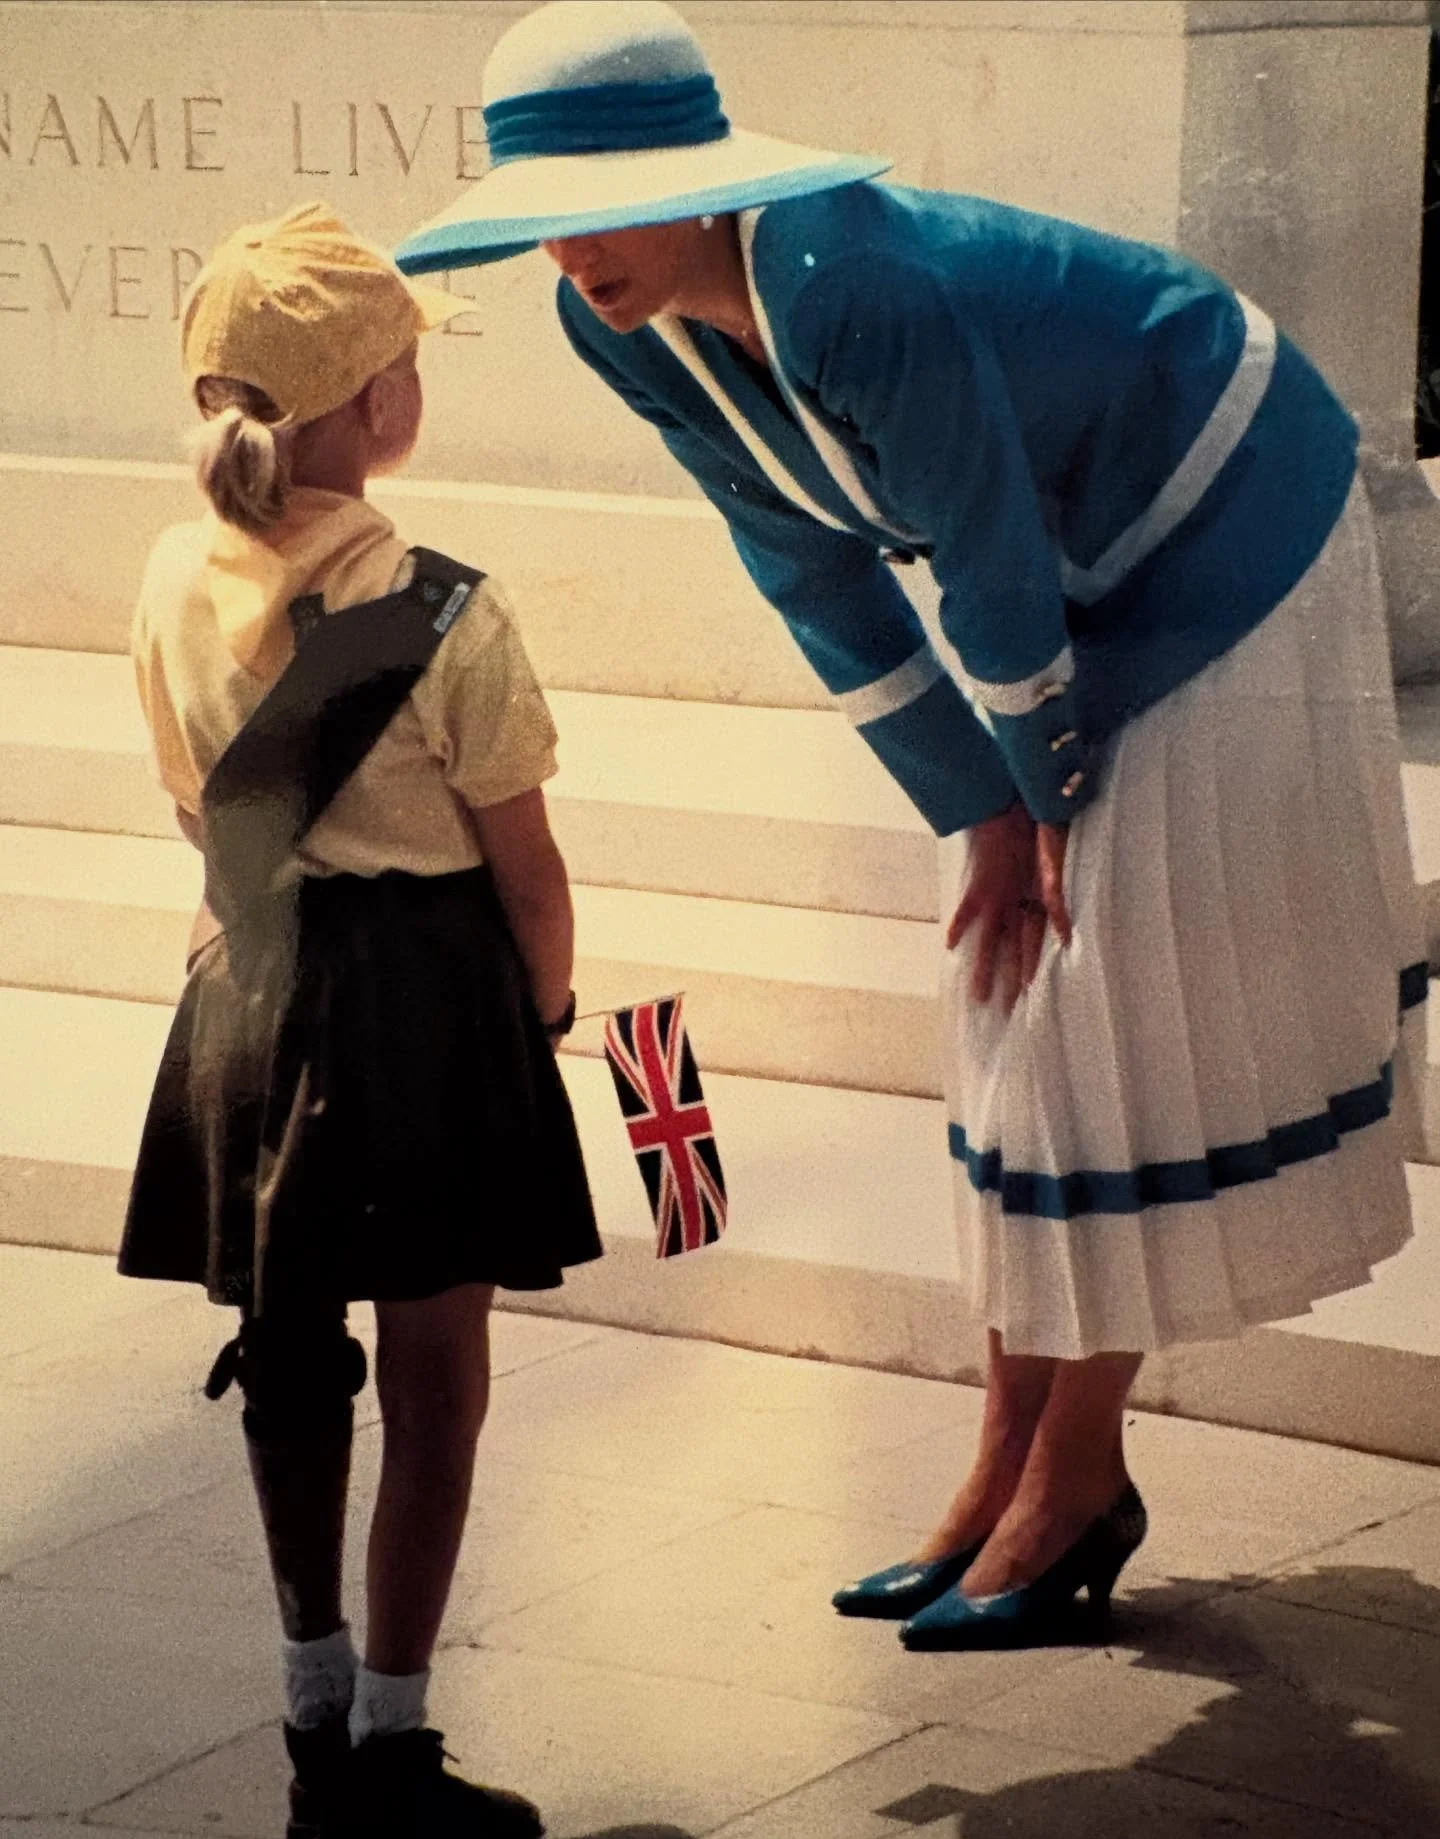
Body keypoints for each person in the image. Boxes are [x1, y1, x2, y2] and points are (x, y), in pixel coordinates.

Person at [395, 1, 1429, 1652]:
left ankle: (1075, 1472)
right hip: (1074, 561)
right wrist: (982, 810)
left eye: (611, 194)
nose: (575, 245)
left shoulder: (847, 280)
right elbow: (810, 573)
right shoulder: (620, 319)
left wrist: (1039, 801)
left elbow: (990, 562)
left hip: (1228, 505)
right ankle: (1005, 1459)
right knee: (1013, 1010)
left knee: (1105, 1008)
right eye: (548, 214)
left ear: (700, 178)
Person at [117, 201, 601, 1839]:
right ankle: (392, 1746)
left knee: (290, 1365)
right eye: (403, 358)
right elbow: (529, 871)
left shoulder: (174, 571)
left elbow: (198, 816)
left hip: (245, 995)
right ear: (369, 404)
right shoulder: (441, 609)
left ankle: (311, 1725)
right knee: (439, 1386)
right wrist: (545, 1017)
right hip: (418, 1012)